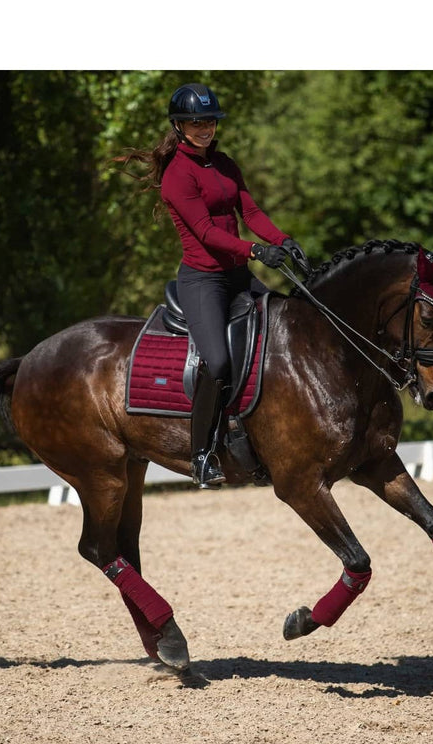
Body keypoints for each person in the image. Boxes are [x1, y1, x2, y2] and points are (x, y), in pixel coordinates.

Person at [118, 82, 309, 488]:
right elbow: (205, 233)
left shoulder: (224, 164)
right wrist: (257, 252)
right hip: (203, 281)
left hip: (238, 276)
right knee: (218, 362)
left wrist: (282, 240)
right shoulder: (176, 176)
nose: (205, 128)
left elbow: (251, 211)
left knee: (292, 326)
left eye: (210, 121)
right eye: (196, 122)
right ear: (180, 125)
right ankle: (201, 453)